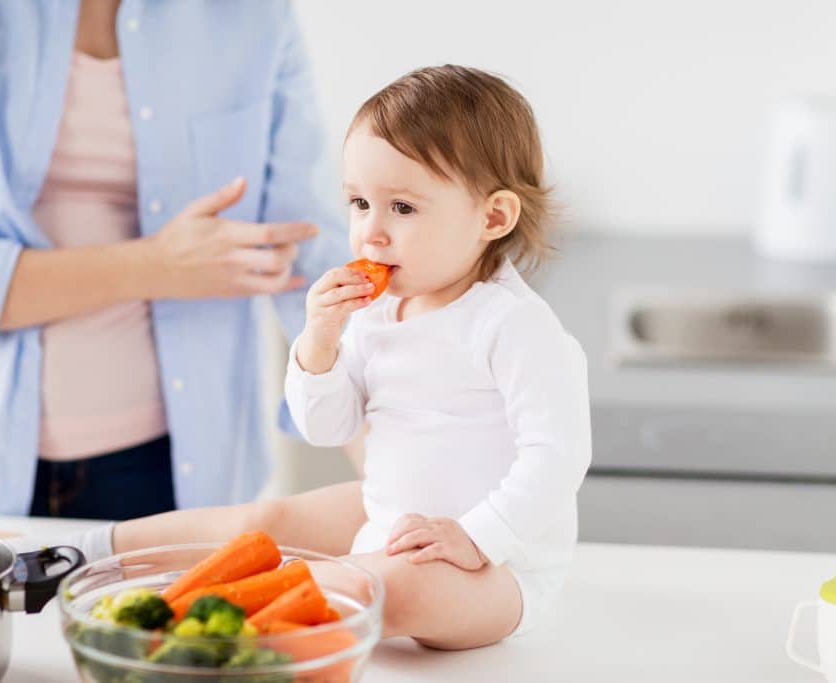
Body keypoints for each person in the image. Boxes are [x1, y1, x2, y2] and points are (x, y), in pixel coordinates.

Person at [90, 65, 592, 648]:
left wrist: (479, 537)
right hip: (389, 532)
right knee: (266, 522)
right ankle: (89, 558)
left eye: (402, 208)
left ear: (493, 217)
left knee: (390, 588)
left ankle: (180, 630)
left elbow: (557, 459)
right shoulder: (376, 314)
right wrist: (319, 343)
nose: (370, 234)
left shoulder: (513, 326)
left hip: (497, 571)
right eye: (358, 203)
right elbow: (327, 427)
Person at [0, 0, 348, 518]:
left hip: (181, 477)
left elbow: (311, 255)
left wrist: (390, 453)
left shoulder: (252, 15)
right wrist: (155, 266)